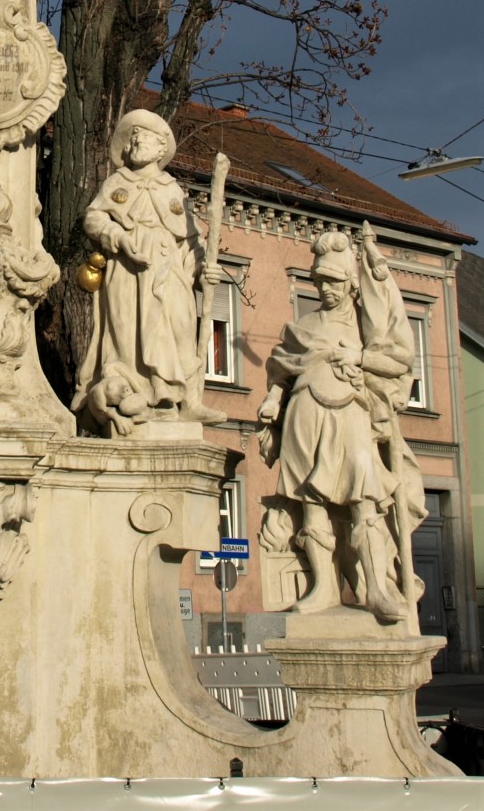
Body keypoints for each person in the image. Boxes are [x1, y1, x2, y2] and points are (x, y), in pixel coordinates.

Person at [257, 229, 425, 622]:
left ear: (350, 282)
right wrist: (273, 399)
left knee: (364, 499)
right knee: (312, 504)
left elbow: (397, 361)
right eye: (320, 281)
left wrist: (360, 358)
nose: (325, 289)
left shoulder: (368, 326)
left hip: (351, 412)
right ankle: (323, 589)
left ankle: (377, 589)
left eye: (332, 281)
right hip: (303, 414)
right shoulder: (304, 326)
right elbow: (282, 369)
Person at [72, 109, 223, 429]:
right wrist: (118, 237)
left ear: (160, 148)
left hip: (169, 270)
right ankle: (135, 395)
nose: (135, 144)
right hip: (128, 270)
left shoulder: (172, 190)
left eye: (143, 139)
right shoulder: (117, 182)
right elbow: (94, 218)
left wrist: (202, 270)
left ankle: (183, 399)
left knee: (180, 326)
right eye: (132, 140)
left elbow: (191, 240)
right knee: (128, 333)